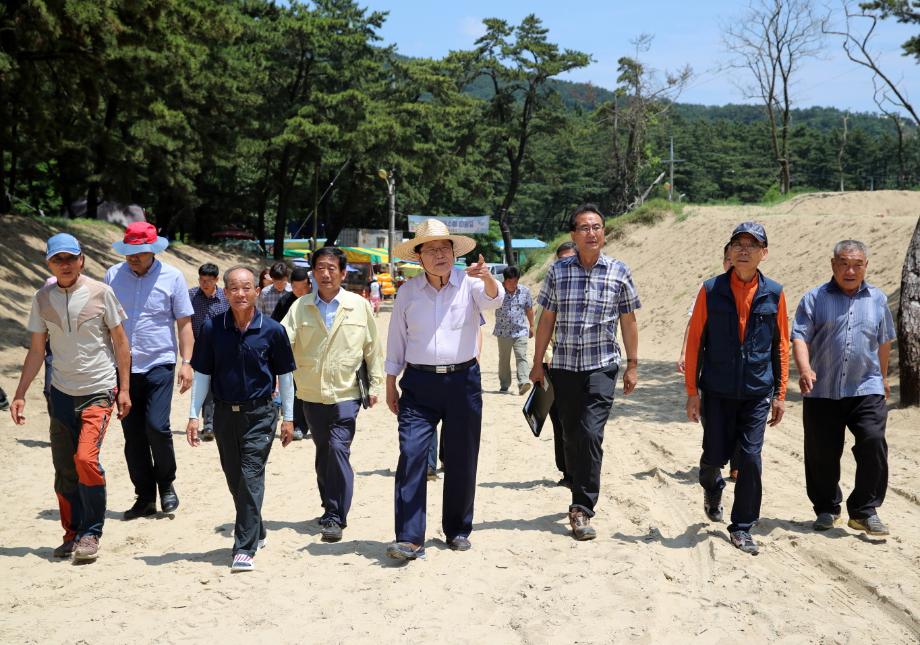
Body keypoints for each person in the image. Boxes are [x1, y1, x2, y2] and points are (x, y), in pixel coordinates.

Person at [385, 219, 504, 560]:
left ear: (454, 252)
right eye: (431, 250)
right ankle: (409, 538)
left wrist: (488, 278)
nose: (440, 255)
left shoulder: (471, 284)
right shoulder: (407, 292)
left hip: (463, 382)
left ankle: (457, 529)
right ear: (419, 257)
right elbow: (397, 340)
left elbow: (496, 301)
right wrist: (391, 382)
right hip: (419, 385)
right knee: (411, 455)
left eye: (445, 248)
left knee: (462, 458)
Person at [10, 233, 132, 561]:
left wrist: (124, 389)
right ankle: (72, 533)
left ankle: (91, 532)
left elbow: (121, 343)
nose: (64, 265)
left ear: (81, 260)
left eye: (70, 258)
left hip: (98, 389)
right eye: (57, 259)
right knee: (64, 467)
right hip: (61, 392)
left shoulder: (100, 293)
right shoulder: (42, 298)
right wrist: (20, 393)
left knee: (85, 459)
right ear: (48, 263)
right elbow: (37, 350)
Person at [531, 204, 641, 542]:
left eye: (596, 227)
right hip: (564, 366)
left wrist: (632, 364)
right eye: (584, 228)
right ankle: (577, 481)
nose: (591, 233)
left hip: (601, 365)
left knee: (591, 433)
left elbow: (628, 320)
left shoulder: (620, 271)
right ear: (573, 235)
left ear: (604, 233)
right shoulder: (558, 272)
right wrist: (538, 363)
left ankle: (582, 506)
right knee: (571, 434)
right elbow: (546, 318)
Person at [684, 221, 789, 556]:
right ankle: (712, 487)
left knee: (751, 459)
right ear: (729, 251)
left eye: (752, 244)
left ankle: (742, 527)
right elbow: (695, 342)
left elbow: (781, 345)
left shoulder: (775, 292)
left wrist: (780, 394)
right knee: (714, 455)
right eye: (738, 244)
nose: (744, 250)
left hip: (757, 392)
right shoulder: (711, 290)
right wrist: (692, 391)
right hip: (716, 389)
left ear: (764, 253)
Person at [186, 265, 297, 571]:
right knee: (235, 478)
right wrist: (193, 415)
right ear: (225, 293)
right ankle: (256, 527)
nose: (240, 293)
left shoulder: (273, 331)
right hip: (223, 414)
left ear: (257, 292)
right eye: (234, 288)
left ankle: (243, 547)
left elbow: (285, 377)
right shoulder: (212, 327)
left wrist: (288, 416)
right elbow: (203, 374)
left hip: (260, 414)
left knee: (250, 476)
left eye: (247, 287)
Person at [791, 240, 895, 536]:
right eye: (844, 264)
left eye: (856, 264)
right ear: (833, 264)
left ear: (865, 266)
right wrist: (805, 368)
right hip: (822, 388)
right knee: (821, 453)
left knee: (873, 442)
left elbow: (884, 339)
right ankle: (826, 508)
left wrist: (883, 377)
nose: (850, 270)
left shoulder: (877, 299)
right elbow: (799, 337)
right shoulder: (814, 298)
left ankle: (864, 510)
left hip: (866, 386)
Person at [282, 247, 384, 543]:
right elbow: (282, 342)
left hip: (346, 393)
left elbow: (372, 348)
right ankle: (329, 505)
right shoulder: (300, 307)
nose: (325, 274)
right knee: (323, 451)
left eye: (331, 268)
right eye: (320, 268)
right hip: (311, 394)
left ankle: (335, 516)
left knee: (338, 449)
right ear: (312, 272)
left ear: (342, 272)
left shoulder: (358, 305)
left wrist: (375, 384)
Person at [105, 222, 195, 519]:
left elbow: (184, 322)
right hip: (123, 367)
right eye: (129, 251)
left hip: (159, 363)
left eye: (139, 252)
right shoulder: (112, 276)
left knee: (157, 427)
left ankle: (166, 484)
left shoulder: (172, 277)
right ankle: (144, 497)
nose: (133, 257)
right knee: (133, 435)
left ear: (153, 250)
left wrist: (187, 362)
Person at [678, 244, 742, 482]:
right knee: (715, 419)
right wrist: (685, 351)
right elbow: (693, 325)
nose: (731, 263)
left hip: (744, 369)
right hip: (714, 367)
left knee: (742, 416)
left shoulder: (756, 288)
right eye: (727, 259)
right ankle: (718, 457)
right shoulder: (710, 289)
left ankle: (737, 464)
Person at [534, 241, 577, 488]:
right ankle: (567, 471)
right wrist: (542, 363)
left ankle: (579, 470)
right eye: (561, 261)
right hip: (554, 367)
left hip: (583, 368)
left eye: (570, 260)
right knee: (559, 421)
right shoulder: (550, 292)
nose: (565, 265)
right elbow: (542, 330)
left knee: (579, 423)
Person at [188, 263, 229, 442]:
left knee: (221, 385)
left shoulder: (225, 297)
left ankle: (221, 422)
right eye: (202, 280)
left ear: (216, 280)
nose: (205, 284)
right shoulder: (190, 296)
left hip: (223, 347)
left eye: (209, 281)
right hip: (200, 348)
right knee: (205, 387)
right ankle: (209, 425)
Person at [271, 266, 313, 441]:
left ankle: (308, 423)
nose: (298, 292)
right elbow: (274, 325)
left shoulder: (316, 301)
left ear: (309, 285)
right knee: (295, 389)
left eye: (302, 288)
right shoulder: (285, 301)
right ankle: (298, 425)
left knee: (309, 390)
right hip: (291, 354)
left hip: (312, 353)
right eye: (295, 288)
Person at [493, 266, 534, 395]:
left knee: (521, 356)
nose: (513, 284)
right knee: (504, 359)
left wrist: (532, 325)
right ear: (505, 280)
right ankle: (504, 385)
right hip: (503, 332)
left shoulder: (524, 291)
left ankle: (523, 382)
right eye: (510, 281)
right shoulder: (498, 291)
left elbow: (529, 309)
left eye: (516, 281)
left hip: (520, 330)